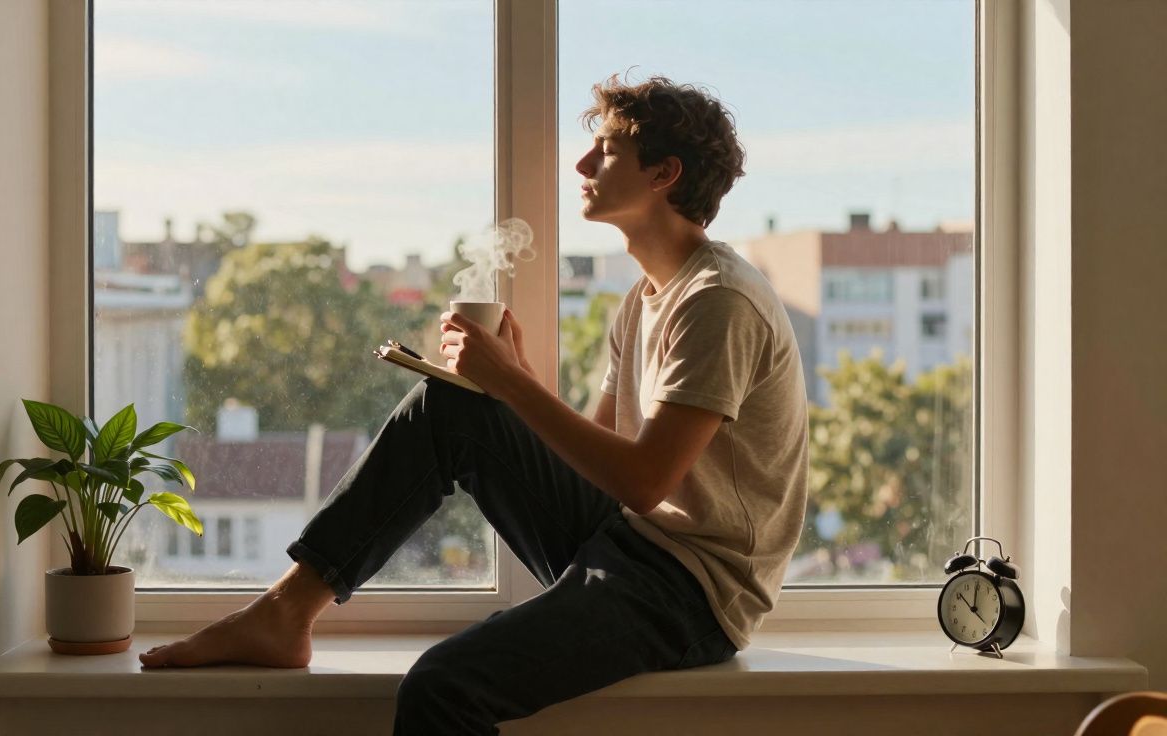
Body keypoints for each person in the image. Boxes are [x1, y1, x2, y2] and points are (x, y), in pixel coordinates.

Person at [139, 73, 809, 735]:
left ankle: (286, 616)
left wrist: (514, 383)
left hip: (690, 593)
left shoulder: (718, 300)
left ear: (664, 174)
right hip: (631, 543)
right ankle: (286, 611)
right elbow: (595, 463)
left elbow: (642, 481)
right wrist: (508, 380)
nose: (582, 162)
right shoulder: (645, 298)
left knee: (441, 688)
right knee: (450, 406)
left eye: (605, 149)